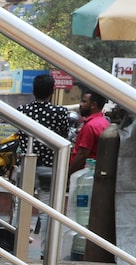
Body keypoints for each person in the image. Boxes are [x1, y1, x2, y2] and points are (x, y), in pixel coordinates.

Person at [16, 73, 70, 253]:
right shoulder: (59, 112)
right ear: (52, 91)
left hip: (26, 164)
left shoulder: (23, 110)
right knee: (47, 211)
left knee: (21, 206)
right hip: (48, 166)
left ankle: (17, 246)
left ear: (33, 90)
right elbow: (64, 136)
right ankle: (45, 252)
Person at [70, 88, 110, 173]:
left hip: (83, 175)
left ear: (93, 105)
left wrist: (68, 174)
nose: (80, 105)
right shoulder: (104, 122)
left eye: (84, 102)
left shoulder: (90, 126)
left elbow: (82, 155)